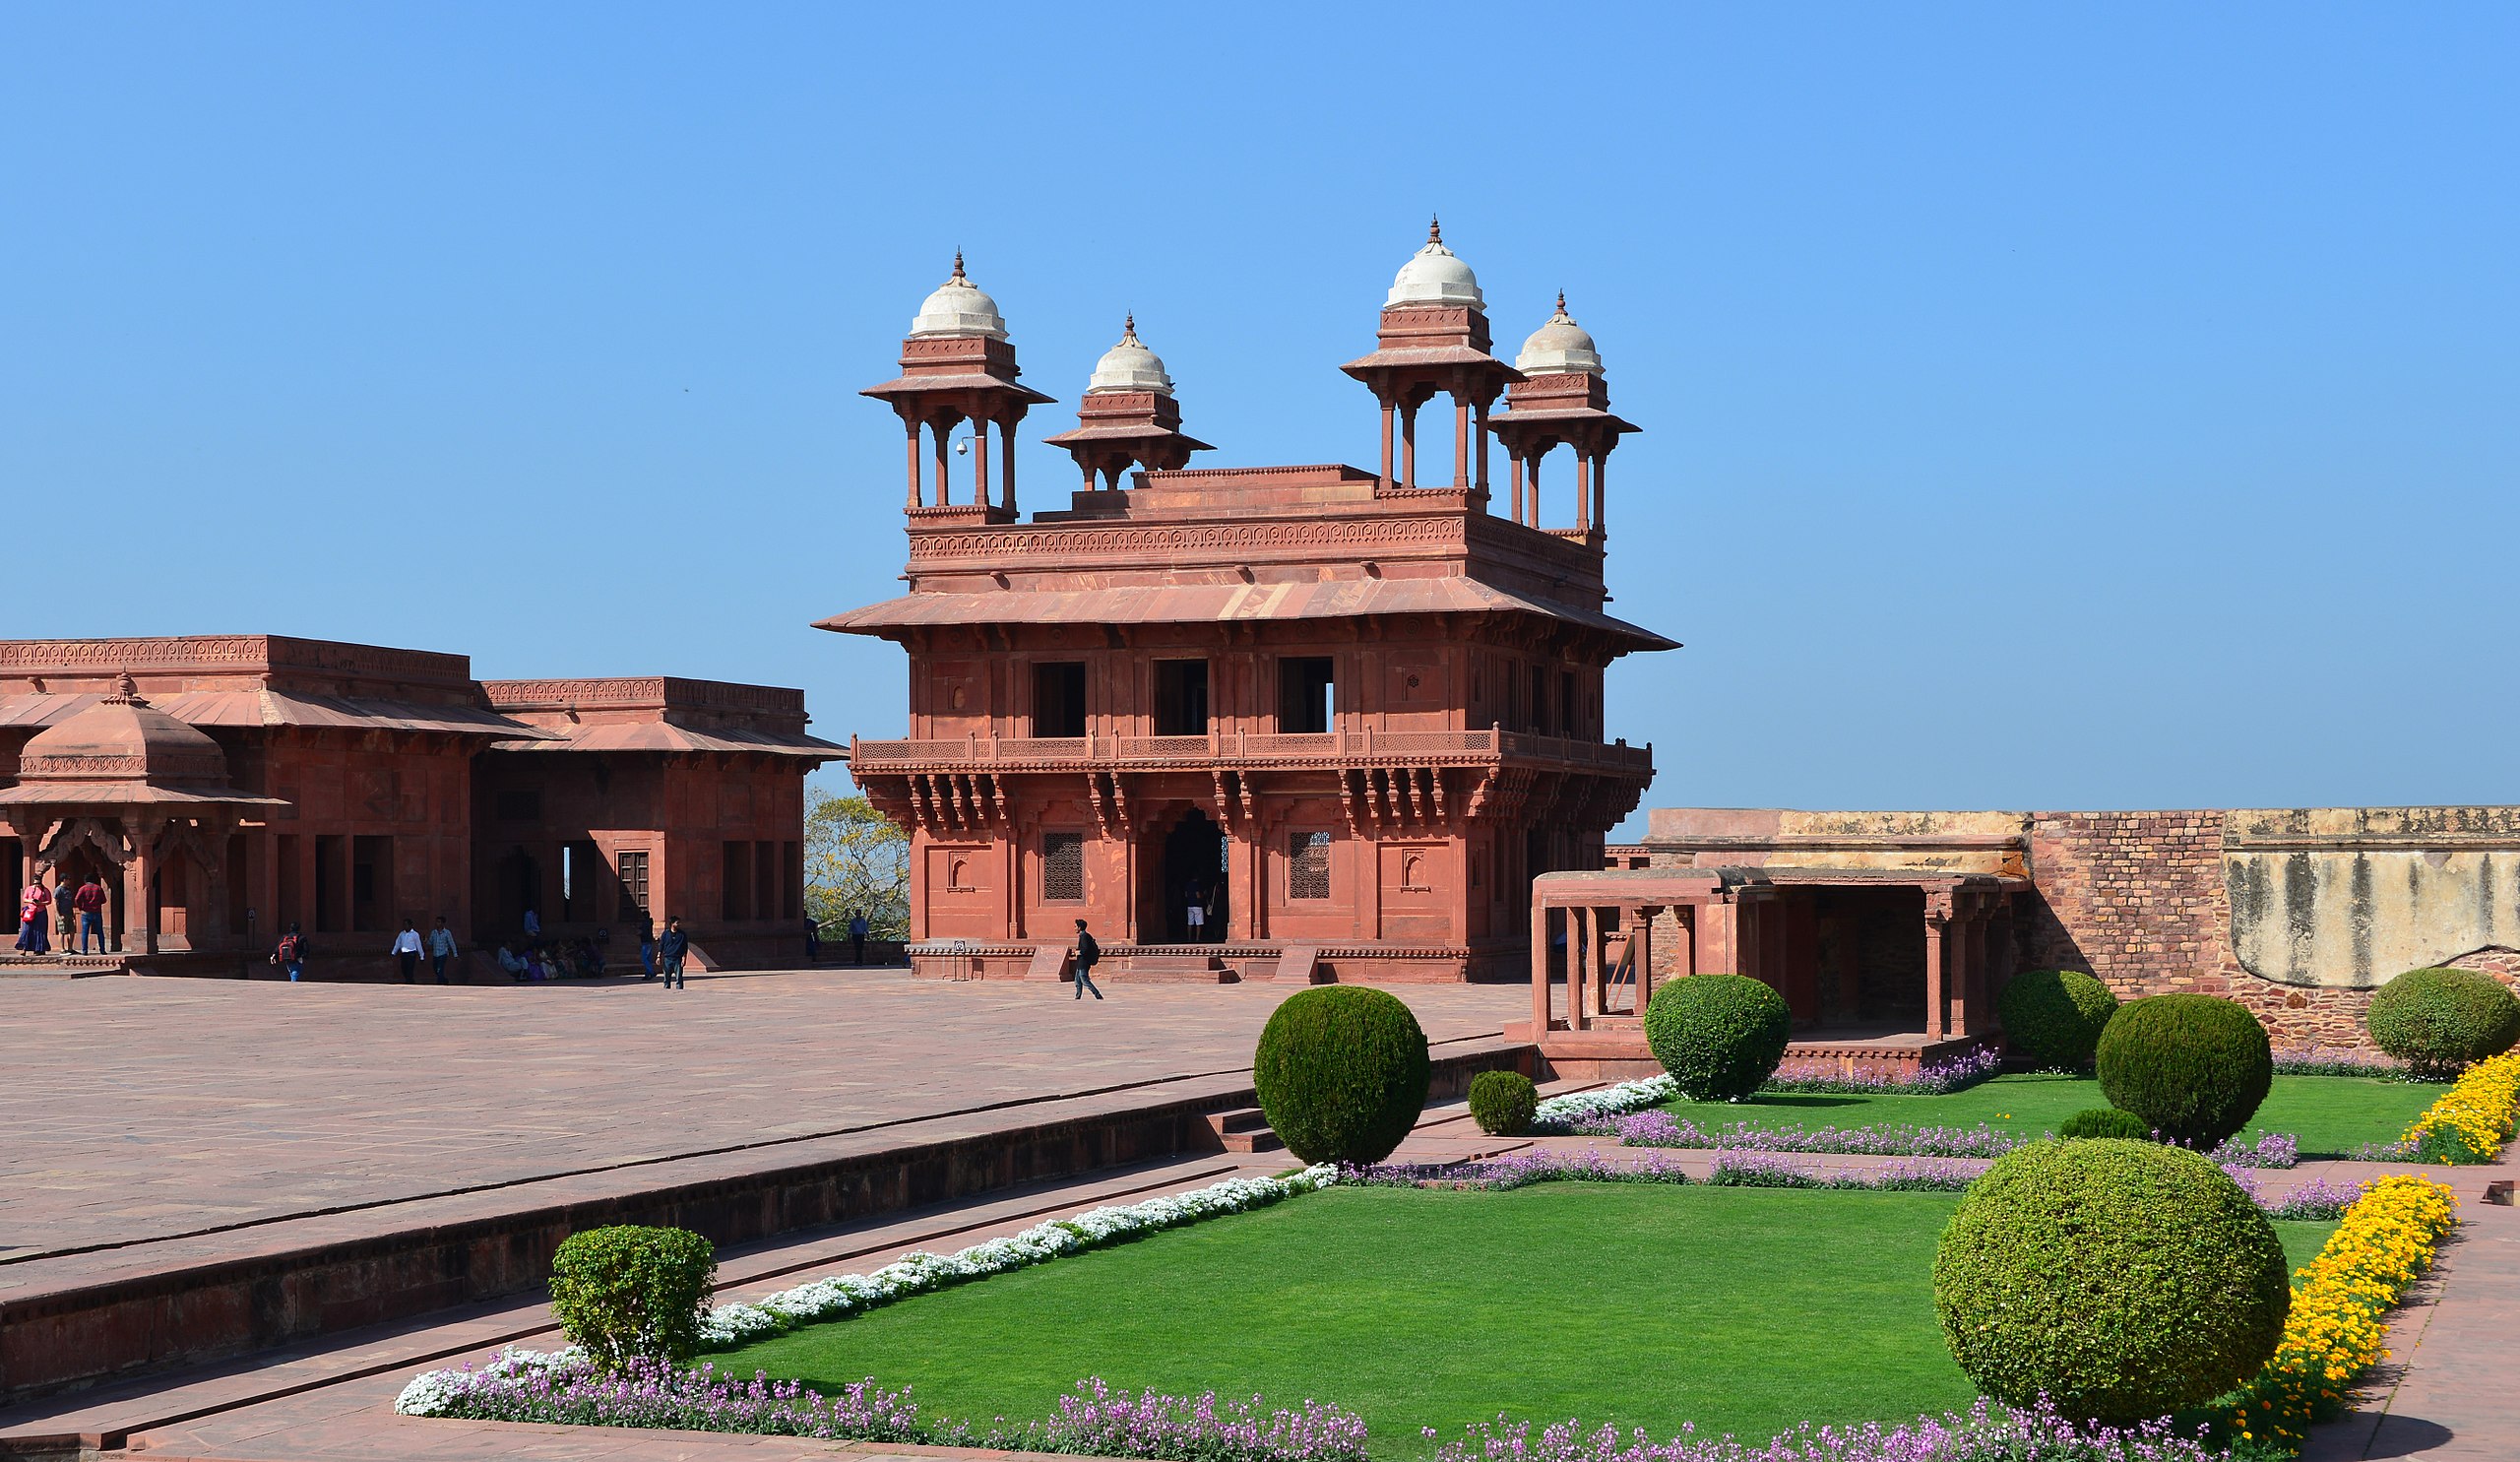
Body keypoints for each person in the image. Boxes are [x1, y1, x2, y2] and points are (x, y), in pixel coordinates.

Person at [73, 875, 106, 954]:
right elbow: (104, 900)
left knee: (85, 932)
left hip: (86, 912)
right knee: (100, 932)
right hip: (97, 912)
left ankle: (85, 950)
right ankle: (102, 950)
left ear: (85, 881)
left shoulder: (83, 888)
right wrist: (97, 903)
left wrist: (80, 907)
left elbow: (76, 899)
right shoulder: (98, 888)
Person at [1071, 919, 1103, 1000]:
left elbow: (1085, 949)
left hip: (1084, 962)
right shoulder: (1084, 935)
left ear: (1079, 927)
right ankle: (1077, 996)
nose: (1074, 928)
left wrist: (1079, 952)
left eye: (1075, 926)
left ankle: (1097, 995)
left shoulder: (1084, 936)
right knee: (1077, 980)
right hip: (1081, 962)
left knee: (1084, 980)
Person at [17, 882, 51, 955]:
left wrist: (40, 903)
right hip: (30, 911)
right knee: (27, 930)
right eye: (35, 883)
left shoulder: (45, 890)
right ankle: (23, 948)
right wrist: (31, 901)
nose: (36, 885)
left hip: (41, 912)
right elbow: (24, 899)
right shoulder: (29, 889)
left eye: (38, 883)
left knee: (40, 931)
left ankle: (39, 949)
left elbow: (49, 901)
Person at [657, 916, 690, 989]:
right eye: (677, 923)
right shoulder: (666, 933)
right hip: (667, 958)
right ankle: (666, 990)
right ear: (672, 924)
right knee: (666, 978)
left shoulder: (682, 934)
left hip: (677, 958)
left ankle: (679, 991)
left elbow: (685, 947)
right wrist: (659, 956)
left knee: (679, 977)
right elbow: (661, 945)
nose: (679, 924)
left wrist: (684, 958)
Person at [426, 916, 457, 985]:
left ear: (443, 923)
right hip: (435, 954)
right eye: (436, 922)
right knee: (435, 969)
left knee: (440, 969)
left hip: (443, 954)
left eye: (439, 922)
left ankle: (439, 983)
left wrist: (455, 954)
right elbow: (430, 942)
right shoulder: (433, 932)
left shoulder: (447, 933)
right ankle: (444, 980)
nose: (437, 924)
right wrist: (426, 941)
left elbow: (452, 943)